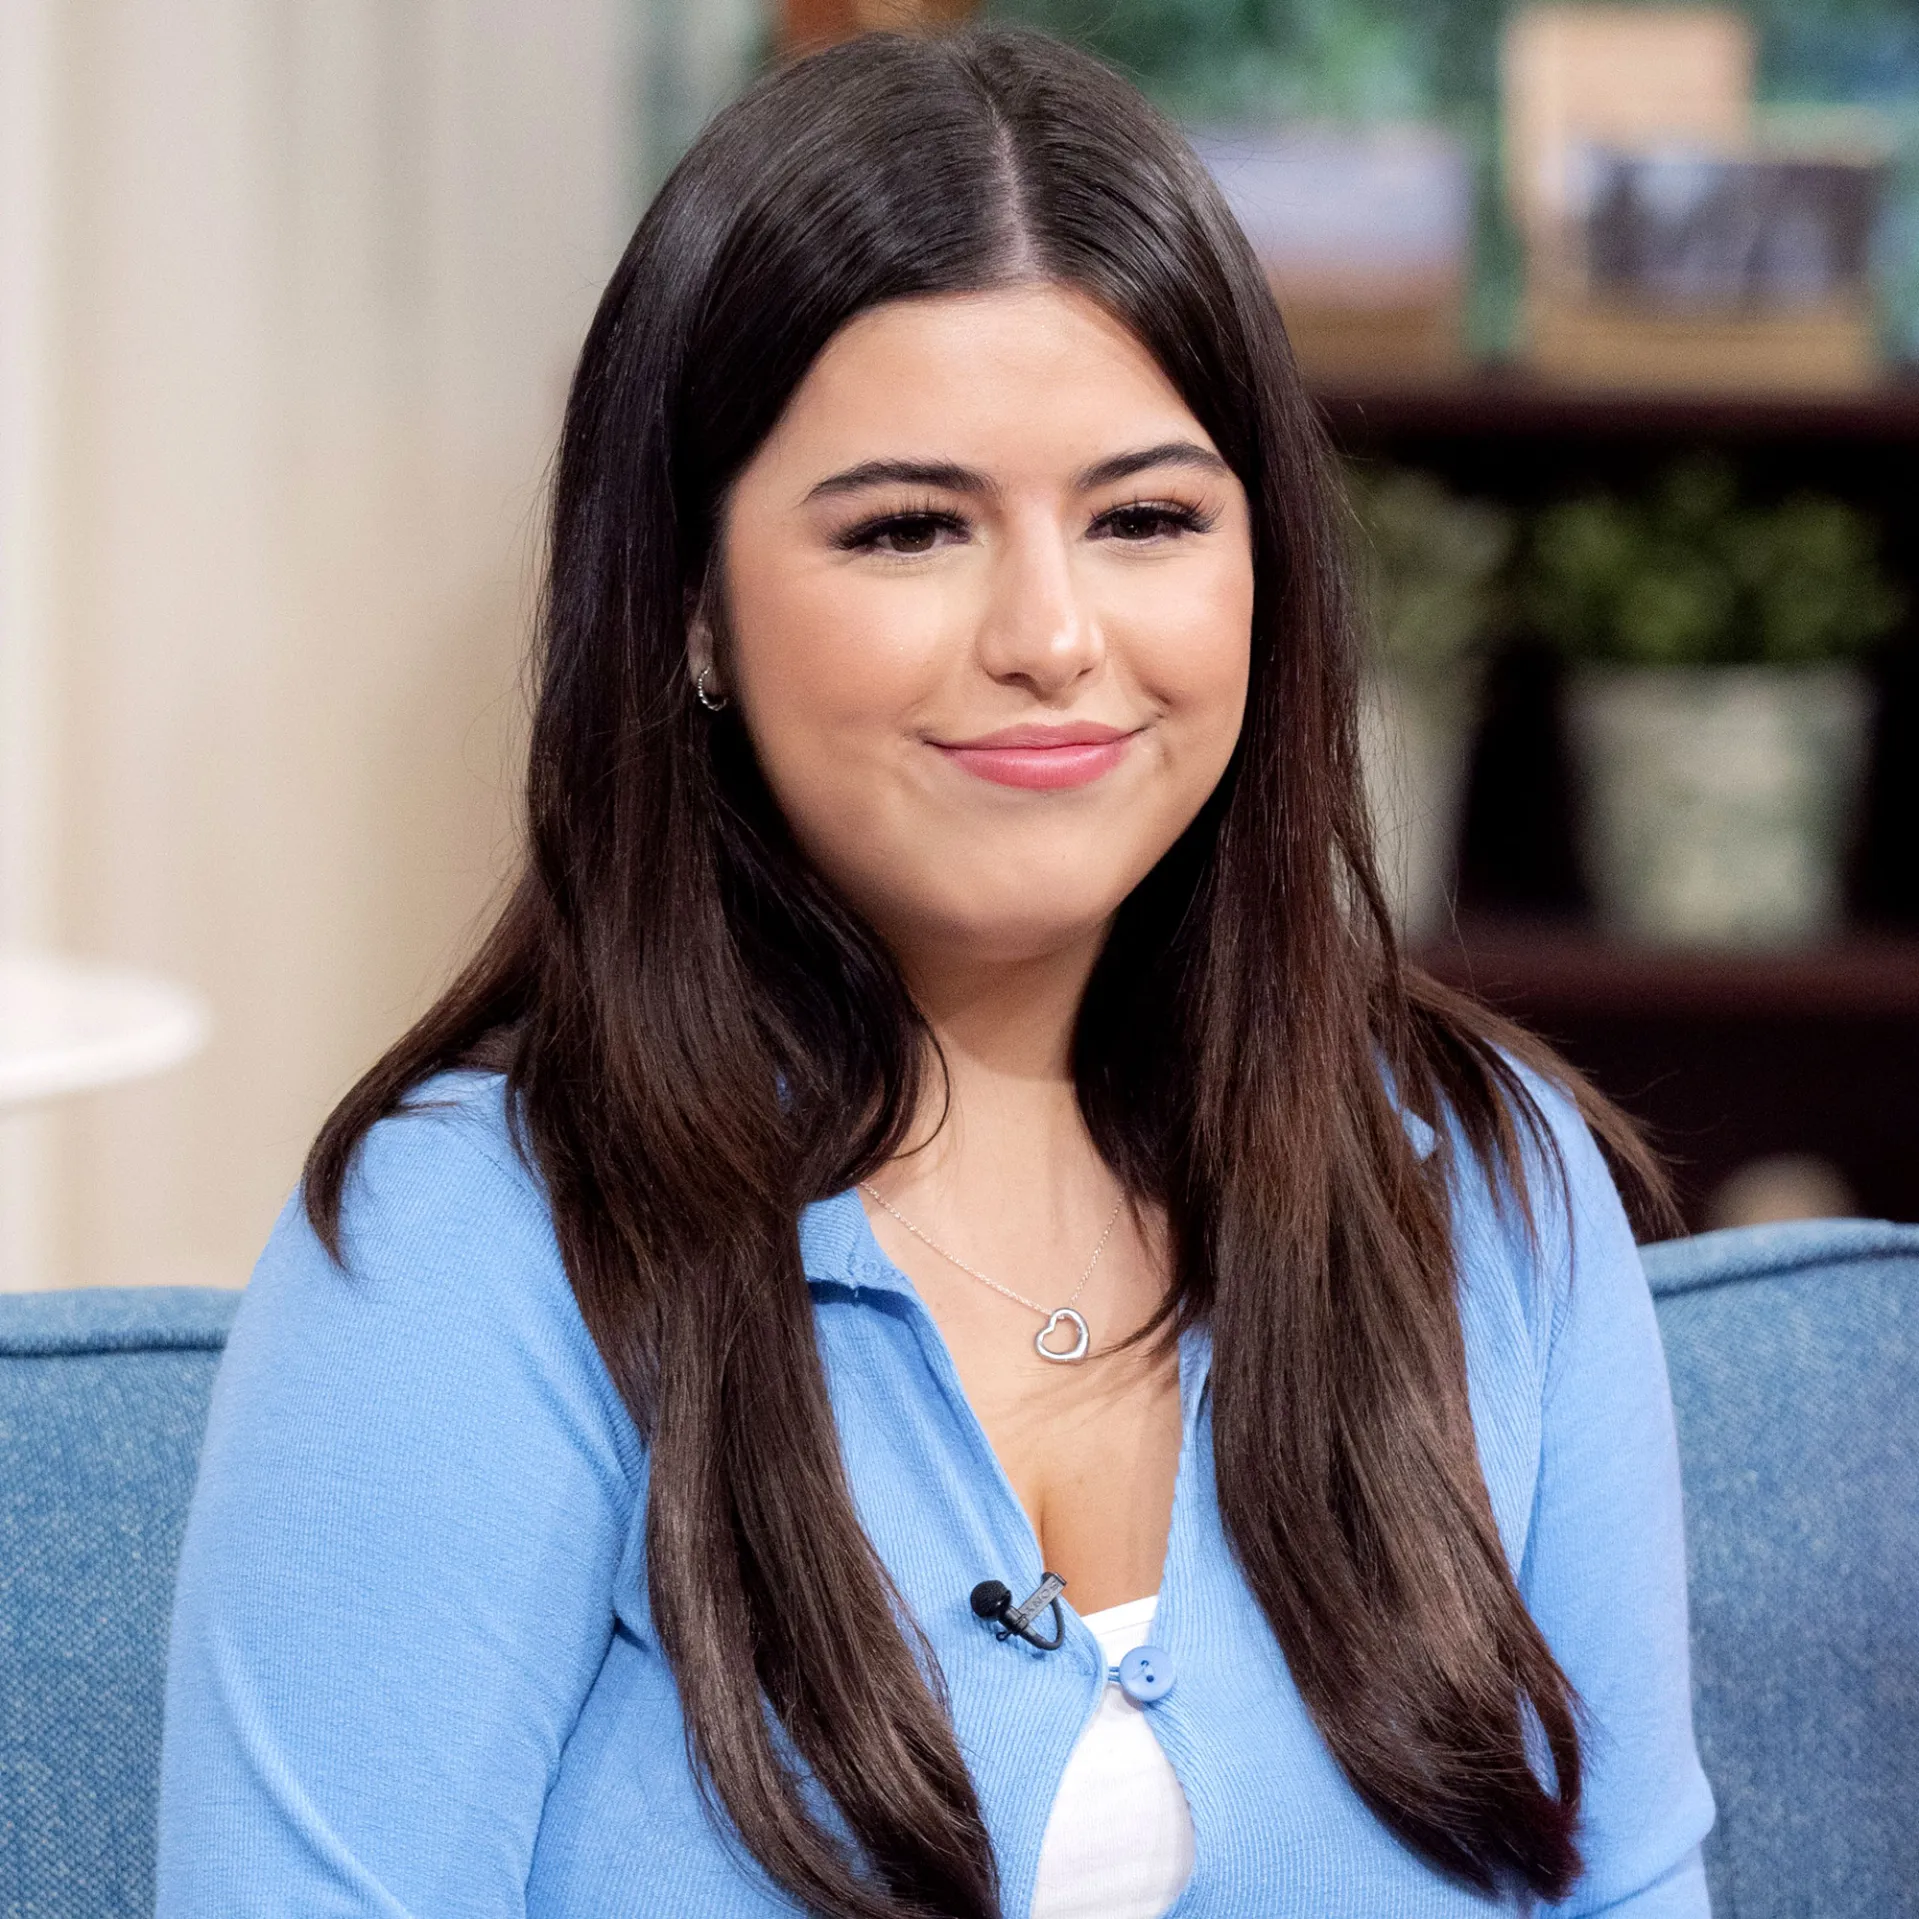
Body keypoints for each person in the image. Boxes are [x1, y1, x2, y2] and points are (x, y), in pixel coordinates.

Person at [157, 26, 1713, 1918]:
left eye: (1144, 518)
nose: (1050, 634)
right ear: (690, 608)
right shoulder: (474, 1246)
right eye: (907, 528)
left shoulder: (1489, 1186)